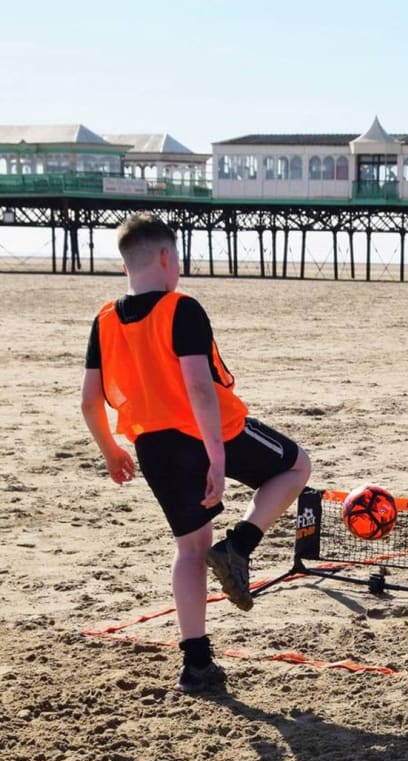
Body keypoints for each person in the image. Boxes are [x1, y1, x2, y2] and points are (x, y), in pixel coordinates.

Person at [81, 212, 311, 692]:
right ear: (167, 257)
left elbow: (89, 399)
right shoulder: (180, 307)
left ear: (127, 264)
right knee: (294, 465)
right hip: (213, 433)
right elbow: (200, 389)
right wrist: (218, 458)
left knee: (189, 550)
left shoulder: (104, 319)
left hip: (152, 445)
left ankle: (197, 663)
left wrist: (110, 450)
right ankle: (240, 546)